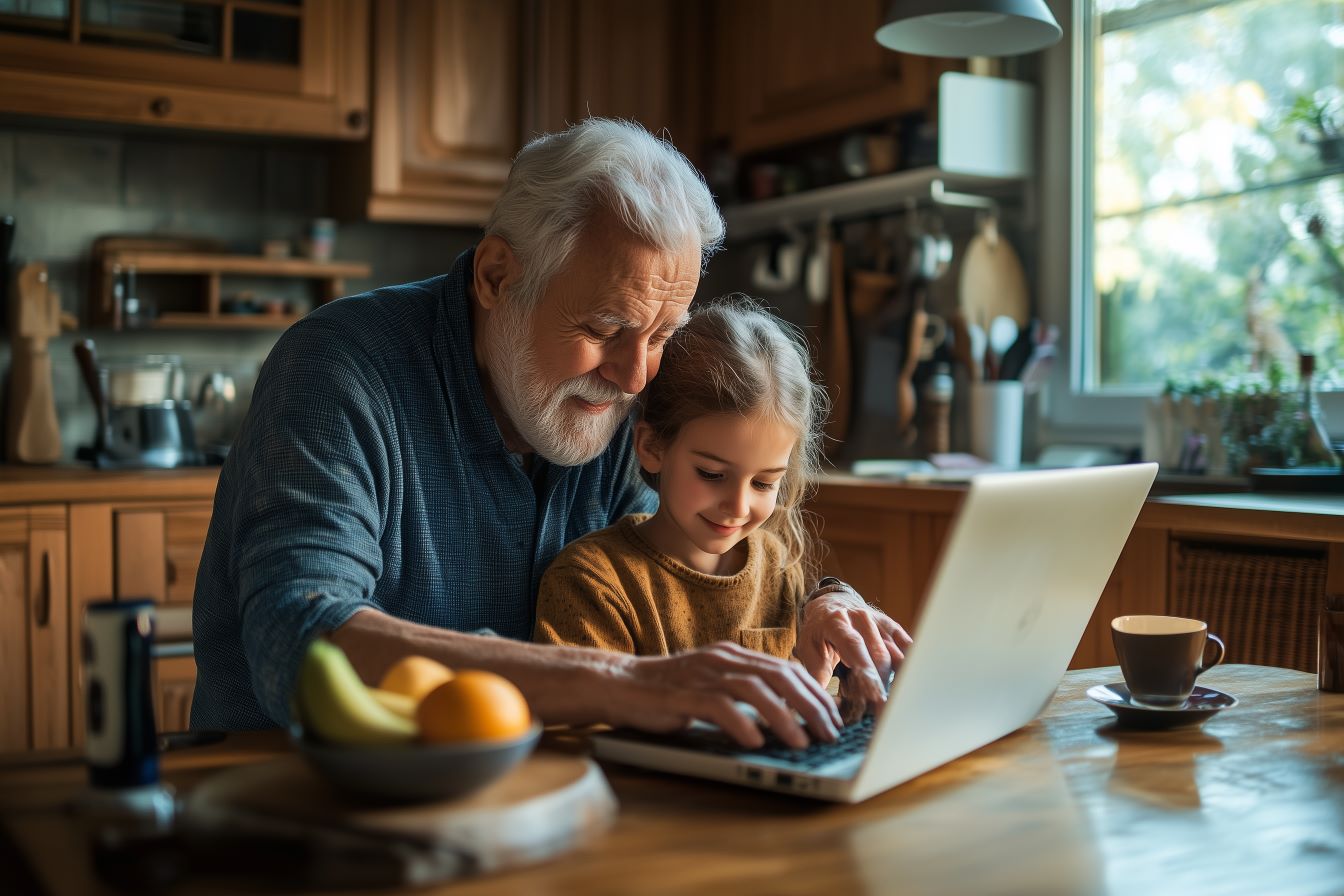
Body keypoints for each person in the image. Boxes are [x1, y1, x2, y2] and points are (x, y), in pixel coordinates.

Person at [191, 118, 904, 750]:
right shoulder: (340, 370)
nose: (635, 376)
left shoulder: (619, 395)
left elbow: (701, 544)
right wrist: (622, 681)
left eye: (663, 335)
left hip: (537, 802)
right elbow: (301, 641)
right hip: (294, 799)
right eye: (603, 330)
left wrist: (823, 602)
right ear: (498, 276)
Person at [533, 297, 828, 664]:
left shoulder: (777, 568)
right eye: (712, 474)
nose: (738, 506)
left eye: (764, 484)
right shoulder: (591, 582)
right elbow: (581, 714)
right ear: (652, 446)